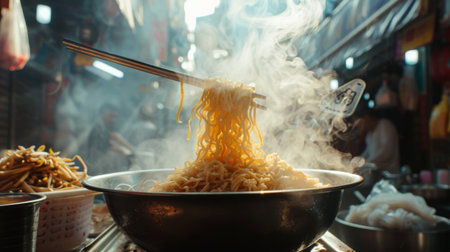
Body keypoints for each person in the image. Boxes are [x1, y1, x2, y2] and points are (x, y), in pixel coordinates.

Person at [84, 103, 134, 175]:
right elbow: (113, 141)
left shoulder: (104, 129)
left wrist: (131, 151)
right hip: (95, 170)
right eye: (111, 116)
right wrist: (128, 153)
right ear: (101, 115)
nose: (113, 120)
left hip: (102, 168)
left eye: (115, 117)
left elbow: (114, 140)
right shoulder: (97, 129)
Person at [358, 109, 401, 177]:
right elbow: (367, 153)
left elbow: (387, 152)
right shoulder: (369, 134)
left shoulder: (385, 125)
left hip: (390, 175)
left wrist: (367, 163)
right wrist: (356, 163)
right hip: (377, 175)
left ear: (367, 118)